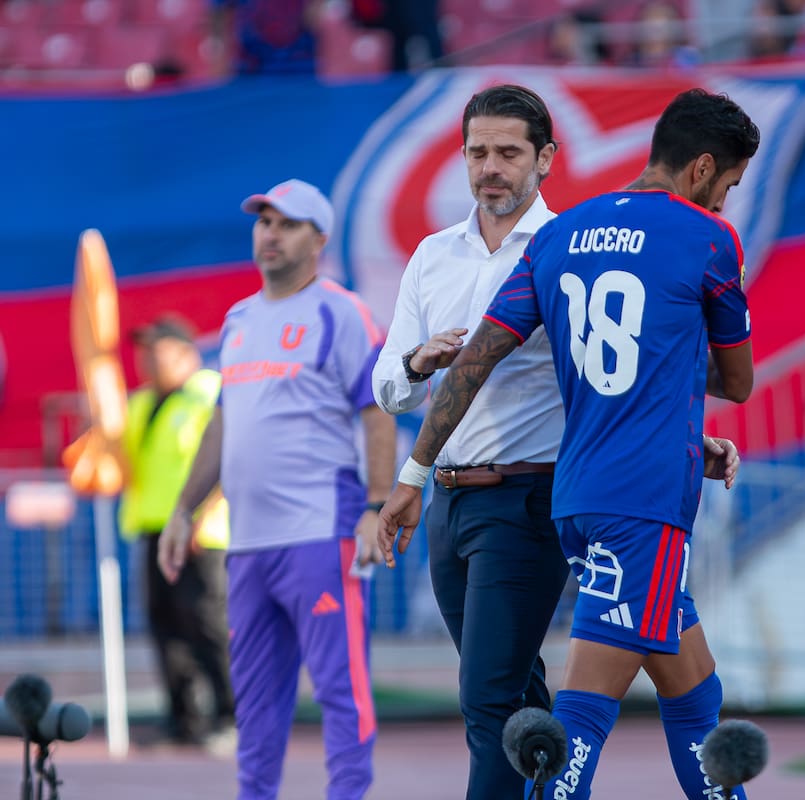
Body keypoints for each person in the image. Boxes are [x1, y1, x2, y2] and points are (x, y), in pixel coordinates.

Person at [377, 87, 759, 799]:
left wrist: (412, 471)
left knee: (693, 690)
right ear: (704, 167)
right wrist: (676, 406)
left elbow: (476, 359)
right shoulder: (707, 237)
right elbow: (735, 381)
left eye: (507, 151)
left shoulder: (561, 237)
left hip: (571, 498)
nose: (725, 201)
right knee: (577, 719)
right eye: (729, 185)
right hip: (642, 502)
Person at [158, 179, 396, 800]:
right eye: (264, 222)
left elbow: (376, 408)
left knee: (341, 687)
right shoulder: (238, 319)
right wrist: (184, 510)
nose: (271, 234)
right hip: (248, 545)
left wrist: (376, 506)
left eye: (287, 224)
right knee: (255, 697)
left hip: (320, 533)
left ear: (318, 240)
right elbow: (222, 421)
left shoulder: (340, 312)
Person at [370, 84, 570, 800]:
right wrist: (417, 361)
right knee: (516, 693)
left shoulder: (565, 249)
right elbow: (388, 388)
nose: (490, 167)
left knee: (488, 699)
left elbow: (610, 375)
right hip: (446, 503)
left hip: (527, 498)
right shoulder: (432, 255)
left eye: (509, 152)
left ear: (545, 158)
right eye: (477, 152)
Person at [120, 315, 235, 753]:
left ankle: (231, 716)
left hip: (200, 532)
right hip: (154, 527)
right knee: (165, 625)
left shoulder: (208, 394)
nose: (148, 359)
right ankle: (183, 721)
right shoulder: (140, 403)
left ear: (186, 353)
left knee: (206, 624)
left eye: (159, 349)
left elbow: (225, 453)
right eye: (144, 351)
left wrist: (201, 515)